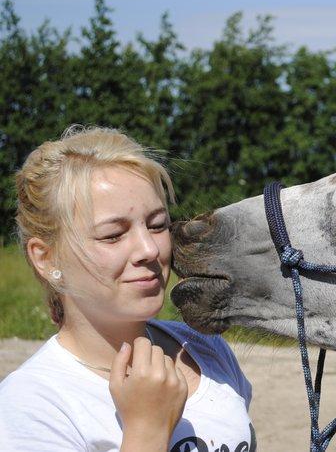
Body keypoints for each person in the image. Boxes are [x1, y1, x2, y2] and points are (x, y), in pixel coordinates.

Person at [0, 126, 255, 451]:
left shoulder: (205, 349)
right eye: (113, 235)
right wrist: (146, 430)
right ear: (46, 258)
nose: (149, 249)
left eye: (157, 225)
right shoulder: (33, 408)